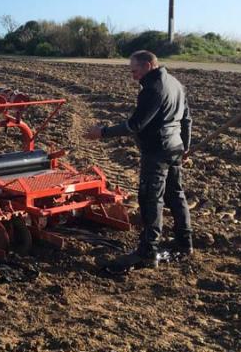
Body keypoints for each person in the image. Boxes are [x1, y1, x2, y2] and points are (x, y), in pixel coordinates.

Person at [83, 50, 193, 269]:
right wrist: (185, 147)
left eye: (135, 71)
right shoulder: (176, 84)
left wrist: (102, 132)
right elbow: (186, 120)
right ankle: (184, 241)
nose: (133, 76)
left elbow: (135, 125)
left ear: (149, 65)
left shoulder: (153, 88)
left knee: (151, 199)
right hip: (174, 148)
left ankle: (147, 251)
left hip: (157, 151)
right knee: (176, 195)